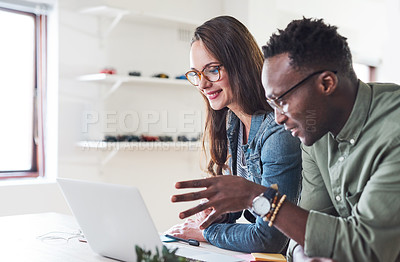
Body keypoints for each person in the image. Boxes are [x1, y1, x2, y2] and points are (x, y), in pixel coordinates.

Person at [170, 17, 400, 262]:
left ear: (326, 83)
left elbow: (370, 248)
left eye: (282, 101)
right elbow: (304, 230)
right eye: (272, 103)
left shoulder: (393, 132)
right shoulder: (315, 132)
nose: (278, 118)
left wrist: (256, 198)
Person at [165, 15, 302, 253]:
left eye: (213, 70)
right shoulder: (233, 123)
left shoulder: (277, 132)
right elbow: (242, 201)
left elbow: (269, 238)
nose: (203, 85)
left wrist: (207, 232)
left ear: (241, 65)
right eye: (197, 74)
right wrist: (215, 214)